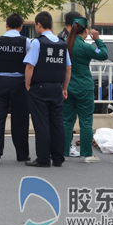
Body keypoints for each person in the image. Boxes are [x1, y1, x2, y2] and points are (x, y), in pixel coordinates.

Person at [24, 11, 71, 167]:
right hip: (56, 88)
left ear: (38, 25)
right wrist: (64, 87)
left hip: (40, 87)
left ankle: (43, 159)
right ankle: (58, 158)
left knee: (41, 123)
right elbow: (68, 68)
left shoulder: (38, 42)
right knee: (57, 122)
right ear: (51, 25)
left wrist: (28, 84)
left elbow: (30, 65)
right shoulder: (62, 43)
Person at [0, 13, 31, 164]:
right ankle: (22, 154)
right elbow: (30, 65)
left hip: (0, 82)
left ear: (6, 25)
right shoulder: (27, 42)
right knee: (20, 120)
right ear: (21, 27)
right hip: (19, 83)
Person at [63, 17, 108, 163]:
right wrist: (98, 39)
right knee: (86, 122)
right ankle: (87, 154)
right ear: (86, 30)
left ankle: (63, 150)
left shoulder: (65, 44)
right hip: (84, 87)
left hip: (67, 86)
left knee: (66, 121)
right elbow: (103, 54)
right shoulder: (86, 46)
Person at [56, 10, 83, 157]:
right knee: (68, 117)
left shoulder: (61, 37)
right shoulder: (66, 38)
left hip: (66, 80)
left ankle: (63, 145)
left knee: (66, 117)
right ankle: (65, 146)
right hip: (68, 81)